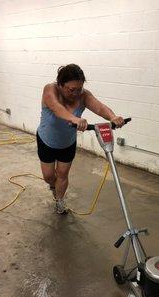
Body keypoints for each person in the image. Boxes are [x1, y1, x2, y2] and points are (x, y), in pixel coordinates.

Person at [36, 64, 125, 214]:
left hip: (67, 143)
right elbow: (56, 108)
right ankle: (53, 186)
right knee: (49, 176)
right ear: (60, 85)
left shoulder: (83, 95)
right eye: (72, 90)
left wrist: (113, 116)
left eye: (79, 89)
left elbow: (99, 107)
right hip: (46, 141)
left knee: (63, 175)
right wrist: (74, 118)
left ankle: (59, 200)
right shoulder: (50, 90)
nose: (76, 93)